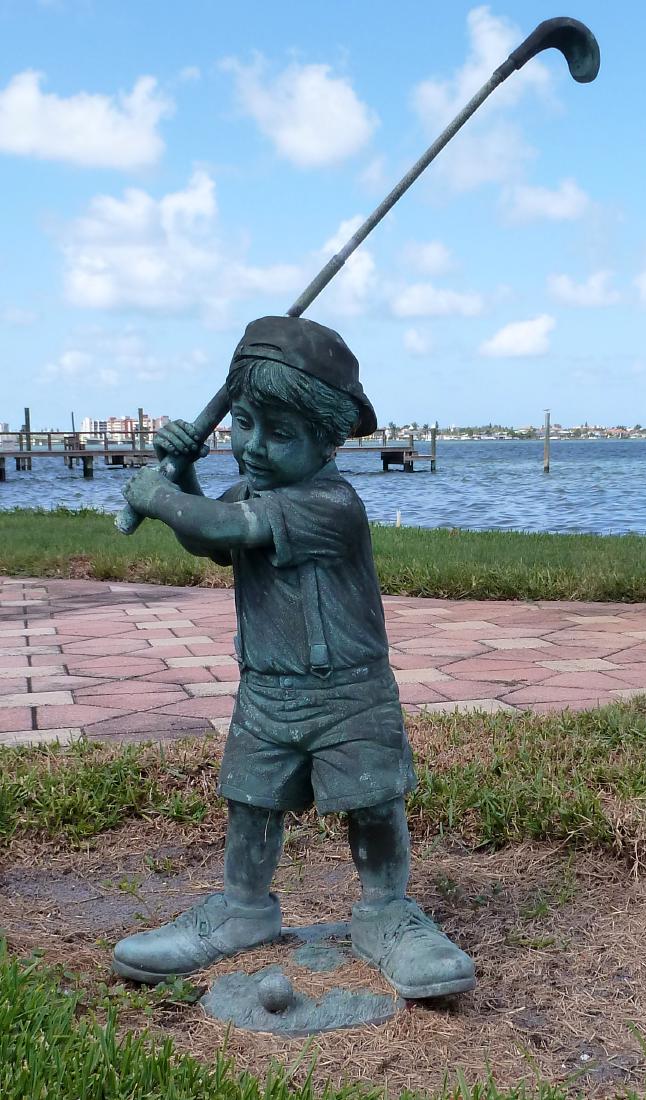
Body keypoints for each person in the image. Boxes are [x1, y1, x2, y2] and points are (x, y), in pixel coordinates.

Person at [112, 315, 475, 999]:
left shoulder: (329, 503)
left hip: (348, 692)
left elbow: (224, 528)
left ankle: (385, 914)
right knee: (251, 803)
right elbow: (209, 542)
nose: (251, 446)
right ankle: (241, 910)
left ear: (326, 441)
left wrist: (158, 495)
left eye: (279, 434)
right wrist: (185, 471)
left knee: (371, 802)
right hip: (268, 691)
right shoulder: (255, 487)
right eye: (243, 422)